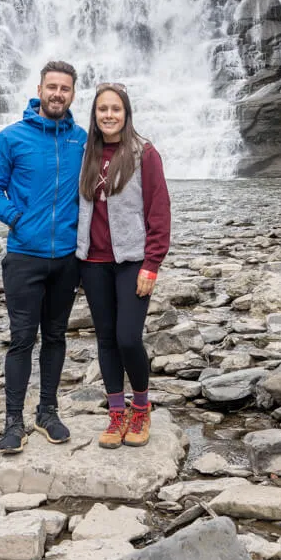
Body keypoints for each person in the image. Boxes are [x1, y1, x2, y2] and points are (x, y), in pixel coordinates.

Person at [0, 61, 87, 454]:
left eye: (65, 88)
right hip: (24, 255)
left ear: (73, 94)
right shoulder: (13, 137)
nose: (58, 93)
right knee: (22, 339)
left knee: (56, 336)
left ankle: (47, 412)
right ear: (39, 88)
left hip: (67, 259)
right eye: (52, 87)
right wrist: (16, 219)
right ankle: (13, 421)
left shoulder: (81, 140)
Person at [76, 83, 171, 448]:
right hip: (93, 262)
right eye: (103, 109)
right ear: (95, 115)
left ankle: (142, 407)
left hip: (132, 260)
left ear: (126, 113)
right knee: (105, 339)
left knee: (127, 337)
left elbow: (159, 211)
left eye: (116, 109)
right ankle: (116, 413)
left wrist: (153, 262)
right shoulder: (85, 154)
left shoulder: (144, 154)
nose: (109, 115)